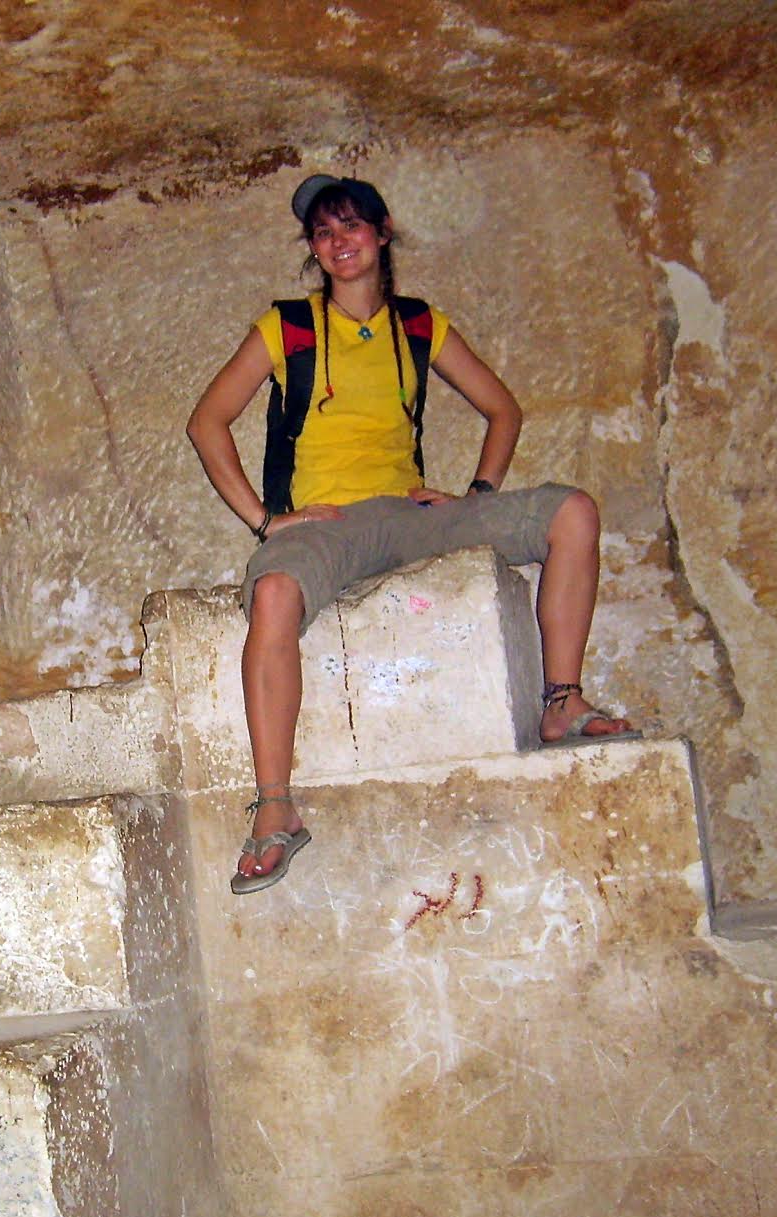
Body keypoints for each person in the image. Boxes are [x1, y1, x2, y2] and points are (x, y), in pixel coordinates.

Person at [186, 173, 635, 895]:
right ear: (313, 249)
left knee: (571, 512)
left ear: (381, 231)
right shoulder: (290, 327)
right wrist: (265, 521)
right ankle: (275, 809)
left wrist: (475, 494)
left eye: (351, 227)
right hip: (332, 522)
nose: (339, 243)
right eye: (323, 233)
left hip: (414, 511)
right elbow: (207, 423)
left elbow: (503, 410)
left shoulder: (419, 326)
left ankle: (562, 702)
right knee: (272, 591)